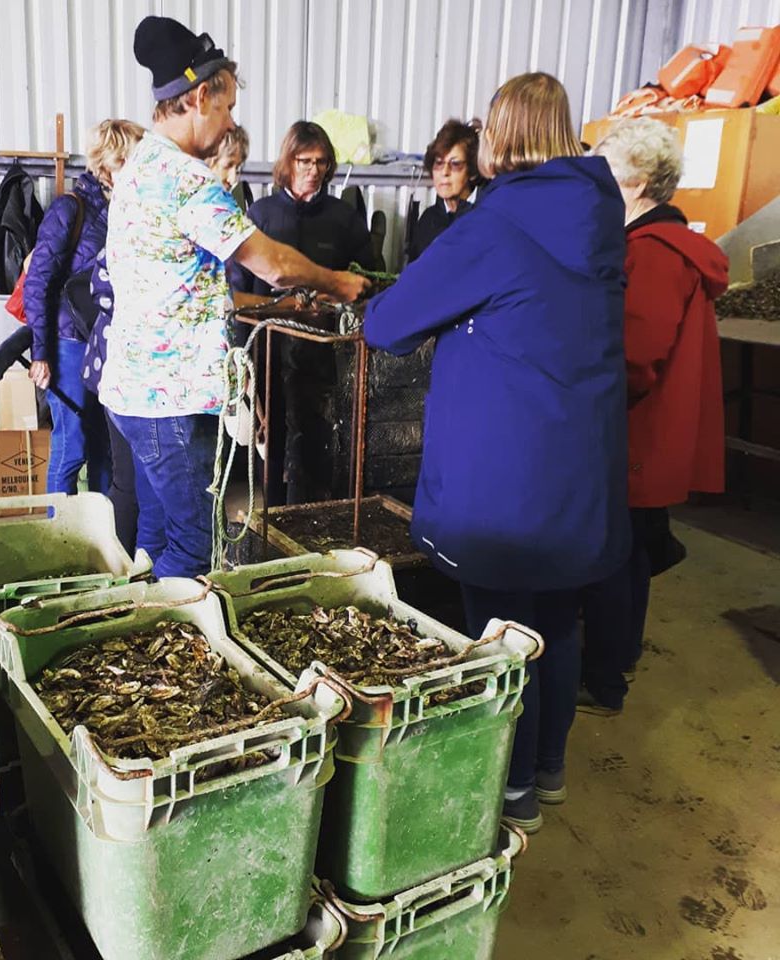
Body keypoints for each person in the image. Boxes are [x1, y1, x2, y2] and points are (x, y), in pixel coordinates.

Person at [364, 72, 630, 833]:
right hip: (579, 465)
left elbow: (388, 324)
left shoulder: (496, 225)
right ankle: (548, 770)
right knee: (559, 618)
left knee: (500, 629)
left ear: (499, 138)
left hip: (506, 473)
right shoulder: (599, 216)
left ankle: (509, 791)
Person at [99, 16, 368, 579]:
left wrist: (272, 307)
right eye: (225, 108)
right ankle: (168, 627)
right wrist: (339, 283)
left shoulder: (141, 165)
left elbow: (189, 291)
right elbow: (272, 264)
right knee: (196, 547)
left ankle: (144, 609)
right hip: (170, 400)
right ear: (199, 97)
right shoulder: (187, 179)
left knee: (160, 536)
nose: (228, 123)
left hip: (133, 390)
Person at [577, 117, 729, 716]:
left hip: (634, 432)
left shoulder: (653, 253)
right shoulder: (662, 245)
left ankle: (605, 679)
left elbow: (635, 357)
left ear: (637, 181)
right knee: (633, 549)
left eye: (607, 173)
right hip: (648, 430)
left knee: (615, 557)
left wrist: (583, 403)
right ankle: (619, 657)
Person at [230, 120, 378, 504]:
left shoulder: (344, 219)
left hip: (324, 352)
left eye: (321, 162)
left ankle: (308, 516)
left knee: (317, 439)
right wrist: (242, 360)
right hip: (268, 349)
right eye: (304, 161)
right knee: (271, 438)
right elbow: (235, 292)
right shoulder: (260, 216)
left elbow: (370, 277)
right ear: (288, 162)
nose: (313, 170)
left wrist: (337, 296)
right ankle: (273, 514)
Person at [24, 120, 127, 494]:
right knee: (72, 445)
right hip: (67, 342)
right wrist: (40, 354)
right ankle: (59, 526)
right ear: (108, 165)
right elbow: (37, 281)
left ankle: (98, 526)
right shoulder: (70, 209)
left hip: (104, 343)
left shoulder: (125, 214)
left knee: (105, 447)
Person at [74, 121, 146, 554]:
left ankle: (128, 559)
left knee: (132, 476)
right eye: (129, 160)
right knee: (128, 480)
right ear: (110, 167)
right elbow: (98, 284)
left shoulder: (122, 209)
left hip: (117, 359)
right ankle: (121, 564)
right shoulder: (115, 214)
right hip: (117, 359)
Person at [409, 119, 481, 260]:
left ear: (472, 171)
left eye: (455, 164)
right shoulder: (427, 221)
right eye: (439, 163)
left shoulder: (487, 217)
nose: (445, 172)